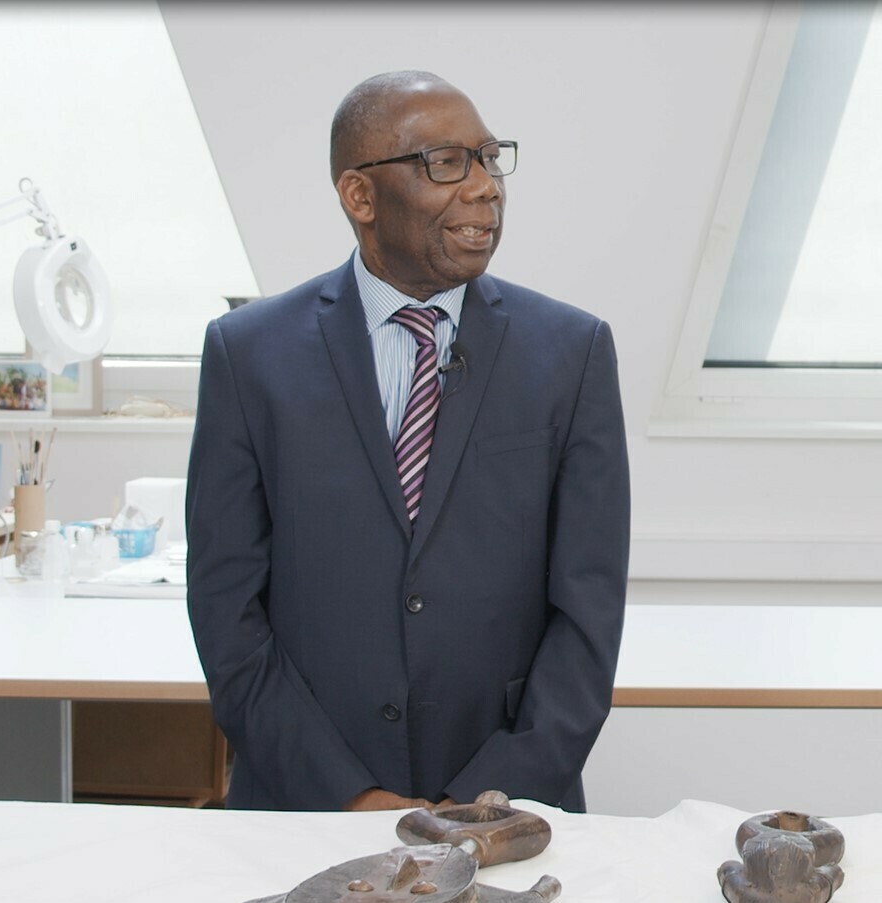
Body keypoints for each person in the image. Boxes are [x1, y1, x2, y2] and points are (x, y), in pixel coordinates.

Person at [187, 71, 630, 812]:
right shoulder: (247, 354)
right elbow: (225, 608)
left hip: (506, 813)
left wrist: (485, 802)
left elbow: (588, 617)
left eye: (490, 158)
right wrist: (351, 797)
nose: (486, 186)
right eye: (447, 163)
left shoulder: (573, 352)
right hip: (306, 808)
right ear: (360, 196)